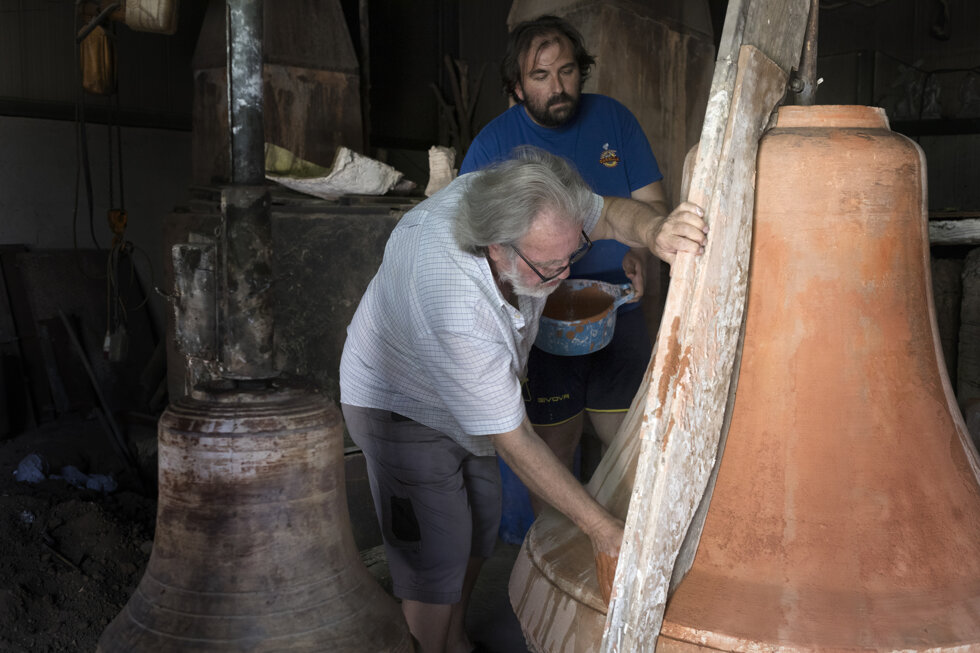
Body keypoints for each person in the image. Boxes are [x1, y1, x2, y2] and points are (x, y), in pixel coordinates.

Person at [340, 146, 706, 653]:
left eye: (572, 254)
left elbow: (609, 214)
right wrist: (603, 531)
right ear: (496, 249)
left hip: (466, 393)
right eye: (549, 266)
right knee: (435, 555)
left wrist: (654, 231)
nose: (564, 274)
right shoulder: (459, 303)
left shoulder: (533, 203)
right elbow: (516, 442)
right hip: (401, 404)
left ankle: (454, 640)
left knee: (480, 521)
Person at [460, 15, 673, 504]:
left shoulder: (615, 120)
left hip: (619, 309)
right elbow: (474, 243)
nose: (558, 87)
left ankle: (628, 545)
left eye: (567, 71)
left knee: (633, 448)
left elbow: (653, 207)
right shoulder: (492, 144)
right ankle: (556, 545)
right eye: (540, 76)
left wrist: (640, 250)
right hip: (540, 316)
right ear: (517, 88)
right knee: (554, 450)